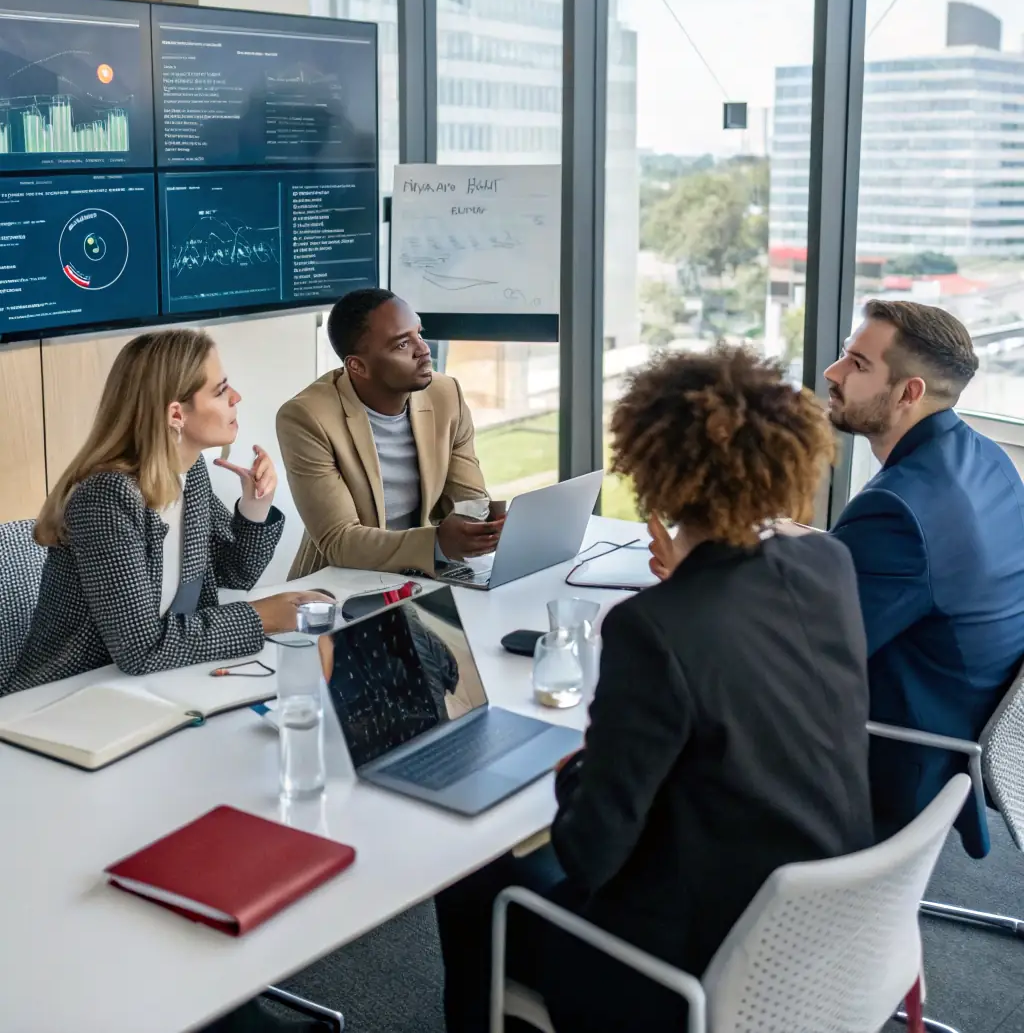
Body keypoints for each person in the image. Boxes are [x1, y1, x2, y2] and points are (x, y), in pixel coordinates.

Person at [435, 345, 873, 1033]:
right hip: (825, 930)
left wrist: (574, 772)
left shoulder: (654, 627)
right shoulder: (828, 561)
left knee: (475, 877)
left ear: (654, 473)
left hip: (690, 971)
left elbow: (588, 854)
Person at [9, 329, 326, 693]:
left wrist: (254, 507)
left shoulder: (190, 473)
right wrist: (263, 616)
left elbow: (233, 574)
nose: (236, 397)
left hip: (149, 685)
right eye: (221, 390)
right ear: (176, 413)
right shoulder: (106, 498)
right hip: (63, 697)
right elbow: (139, 648)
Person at [827, 299, 1024, 855]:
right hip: (971, 722)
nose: (833, 373)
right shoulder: (987, 458)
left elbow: (804, 652)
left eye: (858, 364)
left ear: (907, 393)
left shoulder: (897, 510)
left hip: (901, 755)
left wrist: (708, 575)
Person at [277, 288, 502, 579]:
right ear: (357, 366)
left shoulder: (446, 395)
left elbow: (469, 496)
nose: (423, 349)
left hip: (426, 575)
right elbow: (339, 540)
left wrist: (483, 527)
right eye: (402, 344)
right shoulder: (307, 418)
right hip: (339, 583)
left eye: (419, 333)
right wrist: (436, 543)